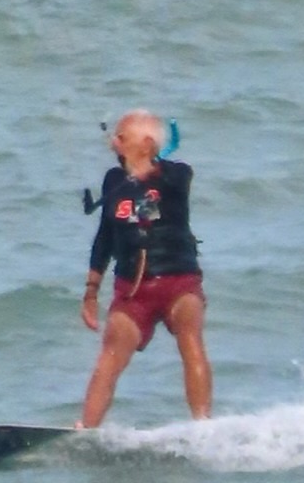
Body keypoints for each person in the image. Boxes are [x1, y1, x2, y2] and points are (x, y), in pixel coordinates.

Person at [73, 110, 208, 429]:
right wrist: (91, 291)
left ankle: (203, 425)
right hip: (133, 290)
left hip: (179, 282)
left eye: (121, 137)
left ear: (146, 145)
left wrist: (144, 170)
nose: (113, 143)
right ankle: (87, 429)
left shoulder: (176, 175)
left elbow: (174, 179)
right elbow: (104, 238)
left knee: (190, 337)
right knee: (109, 355)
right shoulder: (113, 181)